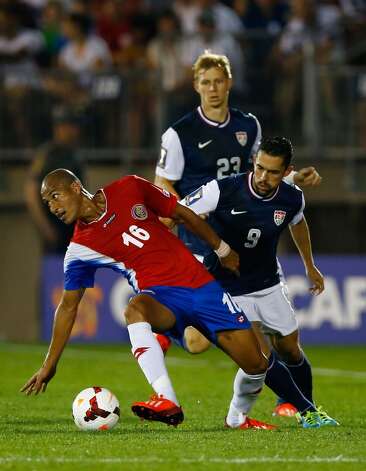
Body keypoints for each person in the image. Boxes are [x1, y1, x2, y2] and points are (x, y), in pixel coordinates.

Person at [21, 168, 280, 430]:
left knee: (256, 364)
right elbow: (67, 306)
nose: (52, 207)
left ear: (75, 187)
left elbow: (180, 213)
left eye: (55, 196)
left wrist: (222, 249)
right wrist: (49, 365)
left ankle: (236, 419)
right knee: (135, 309)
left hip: (201, 286)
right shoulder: (79, 250)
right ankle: (167, 399)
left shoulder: (129, 187)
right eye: (47, 203)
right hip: (161, 298)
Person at [154, 51, 322, 416]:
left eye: (218, 81)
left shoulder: (249, 126)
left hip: (242, 238)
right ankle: (166, 326)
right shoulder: (180, 133)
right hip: (199, 238)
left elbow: (258, 181)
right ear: (196, 86)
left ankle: (287, 402)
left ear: (229, 82)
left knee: (265, 338)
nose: (212, 89)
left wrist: (292, 181)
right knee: (197, 343)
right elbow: (163, 183)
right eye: (205, 83)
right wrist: (175, 220)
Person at [174, 136, 339, 428]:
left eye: (273, 172)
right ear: (254, 162)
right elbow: (178, 212)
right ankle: (304, 413)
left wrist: (310, 266)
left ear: (286, 170)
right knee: (258, 356)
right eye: (260, 168)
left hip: (268, 283)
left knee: (289, 349)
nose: (263, 177)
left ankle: (306, 407)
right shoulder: (223, 189)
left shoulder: (291, 197)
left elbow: (297, 222)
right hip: (229, 287)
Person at [24, 107, 85, 254]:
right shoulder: (47, 155)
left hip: (72, 229)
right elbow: (31, 192)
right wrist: (45, 227)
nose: (73, 131)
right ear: (59, 128)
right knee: (53, 272)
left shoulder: (74, 155)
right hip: (55, 227)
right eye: (69, 126)